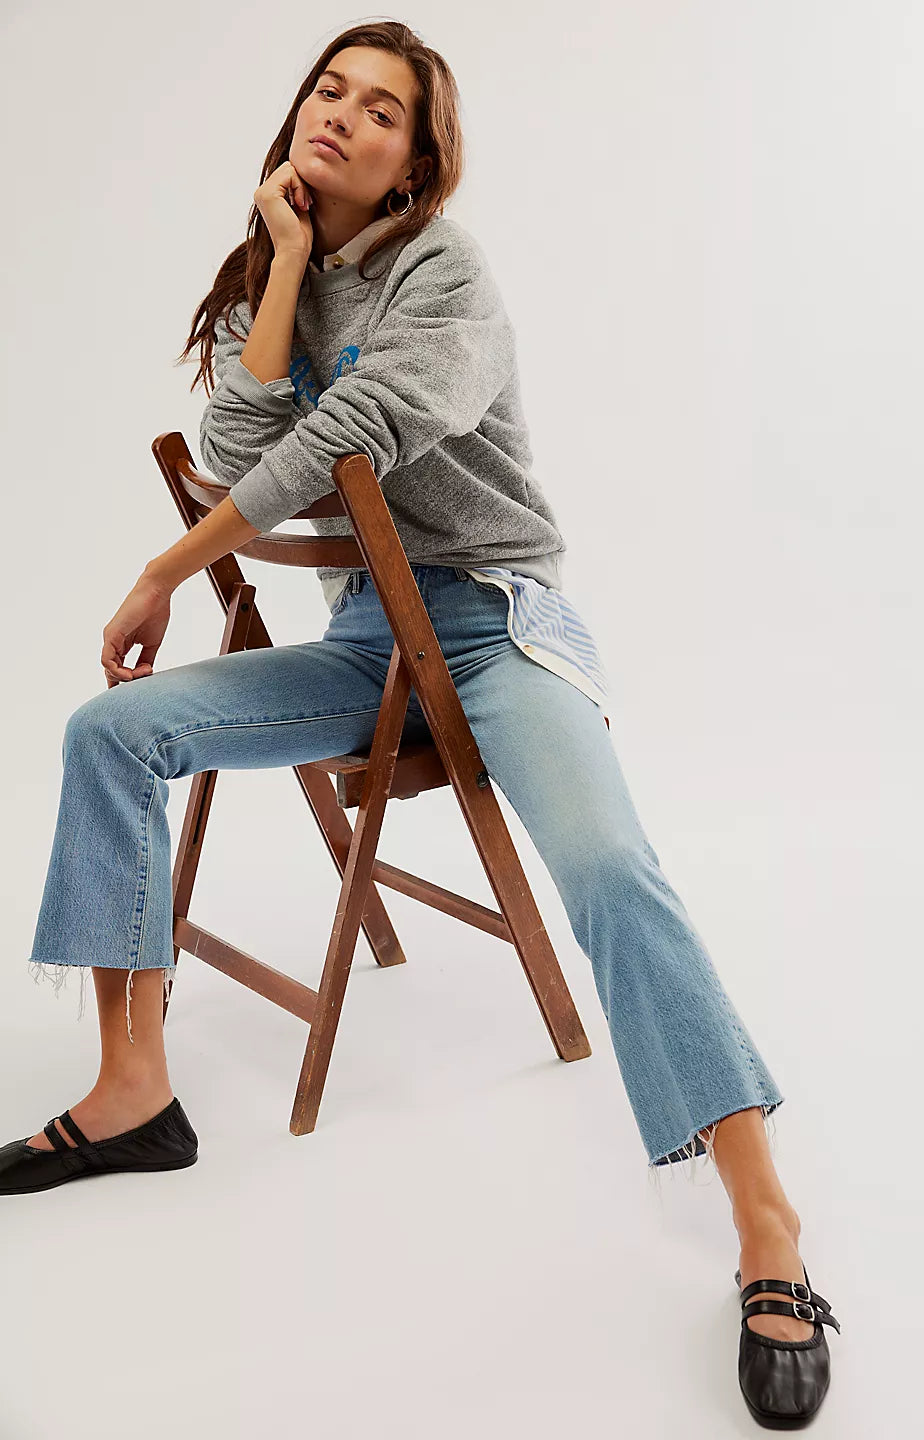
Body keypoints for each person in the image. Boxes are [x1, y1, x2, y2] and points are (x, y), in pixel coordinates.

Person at [1, 20, 840, 1427]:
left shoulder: (445, 272)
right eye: (328, 89)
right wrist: (281, 261)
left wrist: (162, 570)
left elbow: (347, 439)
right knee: (109, 731)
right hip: (367, 643)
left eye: (381, 109)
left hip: (496, 626)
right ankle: (133, 1088)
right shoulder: (277, 279)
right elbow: (233, 452)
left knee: (609, 871)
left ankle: (769, 1228)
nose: (342, 114)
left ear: (414, 166)